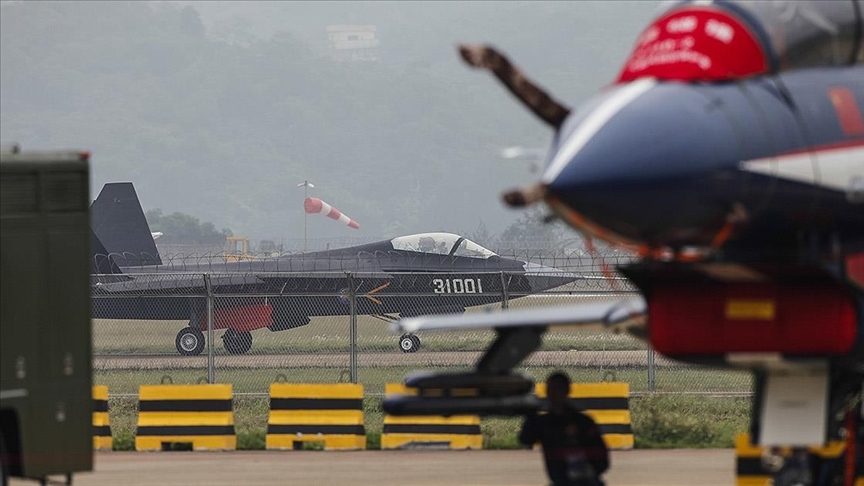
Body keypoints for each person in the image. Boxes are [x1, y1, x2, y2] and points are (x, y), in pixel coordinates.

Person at [519, 372, 610, 486]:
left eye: (557, 389)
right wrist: (531, 415)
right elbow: (525, 439)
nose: (553, 394)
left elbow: (602, 460)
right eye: (550, 390)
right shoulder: (544, 422)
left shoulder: (583, 422)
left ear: (566, 391)